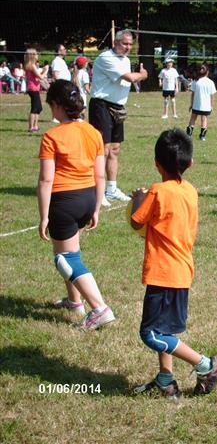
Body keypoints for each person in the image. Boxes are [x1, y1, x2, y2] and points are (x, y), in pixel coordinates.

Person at [130, 129, 217, 398]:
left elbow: (136, 222)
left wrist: (138, 199)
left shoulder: (157, 191)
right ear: (190, 163)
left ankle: (207, 365)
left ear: (156, 163)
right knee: (165, 330)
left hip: (163, 273)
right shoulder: (191, 191)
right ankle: (165, 380)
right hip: (182, 271)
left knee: (150, 334)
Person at [37, 80, 115, 330]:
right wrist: (96, 208)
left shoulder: (51, 136)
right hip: (87, 198)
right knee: (70, 252)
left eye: (51, 106)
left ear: (57, 105)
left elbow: (46, 179)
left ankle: (100, 308)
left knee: (65, 259)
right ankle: (74, 301)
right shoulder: (94, 132)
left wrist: (44, 216)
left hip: (64, 202)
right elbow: (100, 175)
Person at [89, 29, 148, 207]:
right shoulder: (106, 58)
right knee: (103, 150)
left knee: (114, 149)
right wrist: (143, 75)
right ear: (115, 42)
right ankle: (97, 191)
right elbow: (130, 78)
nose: (128, 47)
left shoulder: (125, 60)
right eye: (125, 44)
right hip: (101, 106)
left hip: (117, 107)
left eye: (130, 44)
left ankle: (112, 189)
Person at [186, 64, 216, 142]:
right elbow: (212, 96)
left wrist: (191, 104)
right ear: (207, 72)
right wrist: (211, 106)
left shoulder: (196, 81)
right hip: (206, 106)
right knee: (204, 120)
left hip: (196, 105)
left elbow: (192, 94)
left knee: (193, 118)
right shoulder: (210, 82)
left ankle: (189, 135)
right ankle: (202, 136)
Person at [24, 49, 47, 133]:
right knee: (34, 108)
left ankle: (35, 126)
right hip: (33, 89)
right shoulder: (32, 66)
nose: (37, 55)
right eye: (36, 54)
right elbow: (41, 77)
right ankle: (31, 127)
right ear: (32, 56)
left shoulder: (31, 65)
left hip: (35, 88)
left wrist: (43, 71)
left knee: (39, 108)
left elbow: (37, 76)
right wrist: (46, 70)